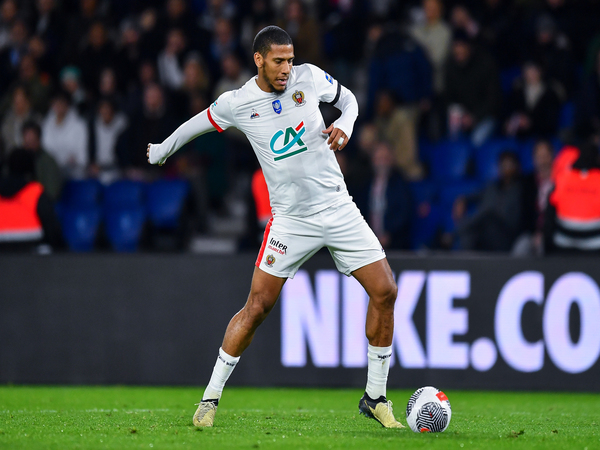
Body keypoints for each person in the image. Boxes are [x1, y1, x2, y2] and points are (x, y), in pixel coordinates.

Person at [147, 26, 402, 429]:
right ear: (259, 60)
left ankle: (375, 397)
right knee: (257, 308)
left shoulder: (309, 78)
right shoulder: (238, 102)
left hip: (338, 207)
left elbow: (349, 100)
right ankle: (209, 400)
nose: (287, 68)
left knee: (386, 290)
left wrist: (347, 125)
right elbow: (198, 123)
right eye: (279, 61)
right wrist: (163, 150)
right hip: (291, 220)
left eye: (290, 59)